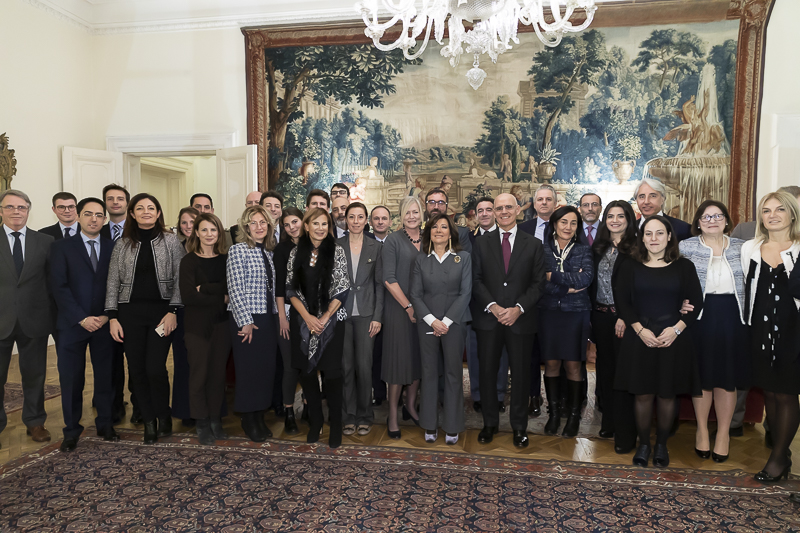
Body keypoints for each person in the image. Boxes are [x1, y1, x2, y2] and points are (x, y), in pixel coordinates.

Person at [614, 216, 703, 468]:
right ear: (642, 237)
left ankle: (662, 445)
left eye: (659, 233)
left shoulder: (684, 267)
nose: (654, 239)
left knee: (667, 394)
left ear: (669, 237)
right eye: (649, 233)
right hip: (639, 336)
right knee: (642, 394)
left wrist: (676, 330)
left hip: (672, 338)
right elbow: (623, 303)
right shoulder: (630, 266)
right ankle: (644, 444)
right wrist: (639, 330)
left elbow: (695, 302)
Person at [106, 193, 185, 444]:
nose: (146, 212)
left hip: (161, 315)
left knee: (155, 368)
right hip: (129, 315)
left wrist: (173, 311)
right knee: (137, 369)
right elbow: (112, 282)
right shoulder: (122, 244)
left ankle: (164, 416)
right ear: (132, 214)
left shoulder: (171, 242)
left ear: (159, 213)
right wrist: (112, 317)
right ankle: (149, 421)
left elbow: (180, 279)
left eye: (151, 208)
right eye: (140, 208)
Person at [472, 193, 546, 447]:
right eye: (498, 208)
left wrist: (518, 308)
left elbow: (538, 284)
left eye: (508, 207)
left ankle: (518, 427)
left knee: (522, 375)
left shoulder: (533, 244)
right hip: (489, 320)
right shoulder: (480, 244)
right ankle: (489, 424)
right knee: (487, 373)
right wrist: (492, 306)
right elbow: (476, 280)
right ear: (493, 212)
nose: (503, 211)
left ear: (518, 210)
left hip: (521, 321)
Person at [678, 201, 749, 463]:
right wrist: (679, 303)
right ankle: (701, 430)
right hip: (700, 318)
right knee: (703, 377)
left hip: (734, 317)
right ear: (697, 222)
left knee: (726, 378)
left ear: (727, 221)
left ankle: (722, 434)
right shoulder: (686, 247)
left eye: (718, 216)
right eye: (706, 217)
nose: (712, 220)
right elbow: (674, 278)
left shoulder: (743, 247)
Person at [729, 185, 800, 441]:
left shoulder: (799, 248)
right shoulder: (751, 248)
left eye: (780, 209)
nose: (773, 215)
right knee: (769, 392)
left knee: (786, 394)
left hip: (793, 332)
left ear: (792, 214)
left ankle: (780, 456)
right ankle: (778, 448)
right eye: (766, 210)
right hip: (760, 330)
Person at [50, 197, 119, 451]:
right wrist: (81, 317)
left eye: (99, 215)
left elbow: (118, 285)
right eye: (88, 214)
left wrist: (105, 315)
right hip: (72, 325)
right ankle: (71, 430)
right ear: (78, 216)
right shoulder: (61, 247)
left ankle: (105, 424)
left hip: (103, 323)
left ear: (104, 219)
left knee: (105, 377)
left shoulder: (115, 247)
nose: (94, 219)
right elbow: (59, 287)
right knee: (71, 379)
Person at [286, 208, 350, 448]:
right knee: (308, 375)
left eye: (325, 224)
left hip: (331, 322)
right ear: (307, 226)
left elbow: (342, 288)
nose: (321, 228)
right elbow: (290, 289)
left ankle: (335, 425)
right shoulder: (295, 253)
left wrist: (323, 318)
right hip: (303, 323)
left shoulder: (338, 251)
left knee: (332, 375)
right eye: (316, 223)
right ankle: (316, 422)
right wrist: (308, 318)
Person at [410, 213, 472, 445]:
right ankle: (429, 424)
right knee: (428, 373)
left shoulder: (463, 258)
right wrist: (431, 320)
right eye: (434, 227)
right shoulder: (420, 260)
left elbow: (465, 293)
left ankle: (453, 426)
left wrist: (445, 322)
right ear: (429, 232)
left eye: (444, 227)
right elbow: (415, 294)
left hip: (454, 324)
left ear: (450, 233)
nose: (438, 231)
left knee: (453, 373)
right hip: (427, 323)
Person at [0, 189, 55, 447]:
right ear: (1, 211)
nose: (16, 212)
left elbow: (52, 282)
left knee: (34, 375)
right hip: (1, 320)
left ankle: (35, 421)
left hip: (34, 319)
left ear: (28, 211)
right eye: (10, 207)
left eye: (21, 207)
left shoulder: (44, 242)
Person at [539, 206, 594, 438]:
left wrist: (554, 276)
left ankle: (573, 416)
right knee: (551, 364)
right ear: (554, 224)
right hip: (549, 313)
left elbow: (586, 277)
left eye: (573, 223)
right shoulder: (541, 250)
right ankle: (553, 414)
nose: (568, 227)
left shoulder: (584, 250)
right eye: (563, 222)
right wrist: (568, 287)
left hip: (576, 314)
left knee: (573, 366)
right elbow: (539, 281)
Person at [226, 205, 279, 443]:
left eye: (263, 223)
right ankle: (247, 418)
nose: (259, 227)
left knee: (264, 371)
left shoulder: (269, 253)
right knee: (248, 371)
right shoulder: (238, 251)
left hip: (267, 318)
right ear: (246, 227)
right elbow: (235, 289)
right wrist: (245, 322)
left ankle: (258, 415)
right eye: (254, 223)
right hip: (247, 318)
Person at [179, 213, 231, 445]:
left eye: (214, 230)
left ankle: (215, 419)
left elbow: (230, 288)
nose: (209, 234)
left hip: (222, 325)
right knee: (199, 375)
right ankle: (201, 420)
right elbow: (189, 296)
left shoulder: (226, 259)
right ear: (196, 232)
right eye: (204, 230)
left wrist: (207, 289)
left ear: (219, 233)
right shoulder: (188, 261)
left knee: (218, 376)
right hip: (196, 327)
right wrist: (220, 296)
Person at [590, 200, 638, 453]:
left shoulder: (637, 249)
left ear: (629, 220)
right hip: (600, 317)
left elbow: (639, 288)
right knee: (605, 371)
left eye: (621, 216)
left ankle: (626, 431)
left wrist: (625, 316)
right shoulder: (599, 248)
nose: (615, 220)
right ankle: (608, 421)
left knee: (624, 374)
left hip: (625, 321)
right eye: (610, 216)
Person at [339, 202, 384, 436]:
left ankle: (366, 415)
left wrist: (378, 317)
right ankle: (348, 415)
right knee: (346, 367)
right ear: (345, 220)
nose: (356, 221)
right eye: (351, 217)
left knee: (364, 368)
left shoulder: (375, 247)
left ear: (366, 220)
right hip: (342, 315)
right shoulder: (336, 246)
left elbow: (380, 285)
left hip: (367, 315)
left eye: (360, 217)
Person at [382, 197, 424, 438]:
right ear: (401, 215)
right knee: (398, 361)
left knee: (419, 359)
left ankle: (410, 405)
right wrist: (408, 306)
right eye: (407, 212)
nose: (411, 216)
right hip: (399, 309)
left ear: (421, 214)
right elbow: (388, 278)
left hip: (425, 310)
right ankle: (393, 414)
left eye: (415, 211)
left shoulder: (429, 238)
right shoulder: (393, 241)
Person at [467, 197, 510, 415]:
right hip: (477, 307)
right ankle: (478, 394)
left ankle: (499, 394)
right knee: (477, 355)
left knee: (501, 355)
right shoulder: (468, 239)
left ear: (495, 212)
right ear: (475, 214)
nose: (484, 214)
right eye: (480, 210)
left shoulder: (507, 238)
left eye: (488, 209)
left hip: (504, 309)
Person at [518, 183, 558, 415]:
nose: (543, 203)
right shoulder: (523, 228)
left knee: (556, 354)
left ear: (555, 202)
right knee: (530, 354)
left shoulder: (566, 225)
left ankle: (559, 398)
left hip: (558, 301)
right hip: (529, 301)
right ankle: (533, 395)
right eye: (539, 199)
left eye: (548, 199)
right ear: (534, 204)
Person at [100, 184, 135, 424]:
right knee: (111, 362)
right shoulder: (94, 231)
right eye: (110, 199)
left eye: (120, 199)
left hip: (134, 307)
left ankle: (139, 404)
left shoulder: (138, 232)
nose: (115, 202)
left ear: (127, 203)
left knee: (136, 360)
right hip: (106, 307)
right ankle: (114, 405)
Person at [274, 207, 304, 433]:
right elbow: (280, 286)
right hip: (287, 313)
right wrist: (282, 318)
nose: (292, 227)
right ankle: (289, 412)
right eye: (287, 224)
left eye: (295, 221)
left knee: (310, 365)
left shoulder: (316, 243)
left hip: (311, 315)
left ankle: (309, 407)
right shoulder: (281, 249)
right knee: (290, 366)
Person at [171, 206, 200, 427]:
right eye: (184, 222)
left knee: (202, 364)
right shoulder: (175, 248)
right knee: (183, 363)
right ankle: (184, 409)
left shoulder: (211, 247)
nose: (188, 226)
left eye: (192, 222)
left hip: (205, 314)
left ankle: (202, 409)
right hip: (180, 312)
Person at [368, 205, 391, 407]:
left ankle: (397, 393)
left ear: (390, 222)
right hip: (371, 308)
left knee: (393, 352)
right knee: (375, 354)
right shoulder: (364, 243)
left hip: (394, 306)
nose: (380, 222)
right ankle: (379, 392)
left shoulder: (396, 242)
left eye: (384, 218)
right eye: (377, 218)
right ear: (371, 222)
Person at [424, 188, 472, 253]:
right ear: (425, 205)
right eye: (431, 202)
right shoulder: (418, 232)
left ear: (447, 206)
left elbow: (465, 260)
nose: (436, 207)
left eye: (441, 203)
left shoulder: (460, 233)